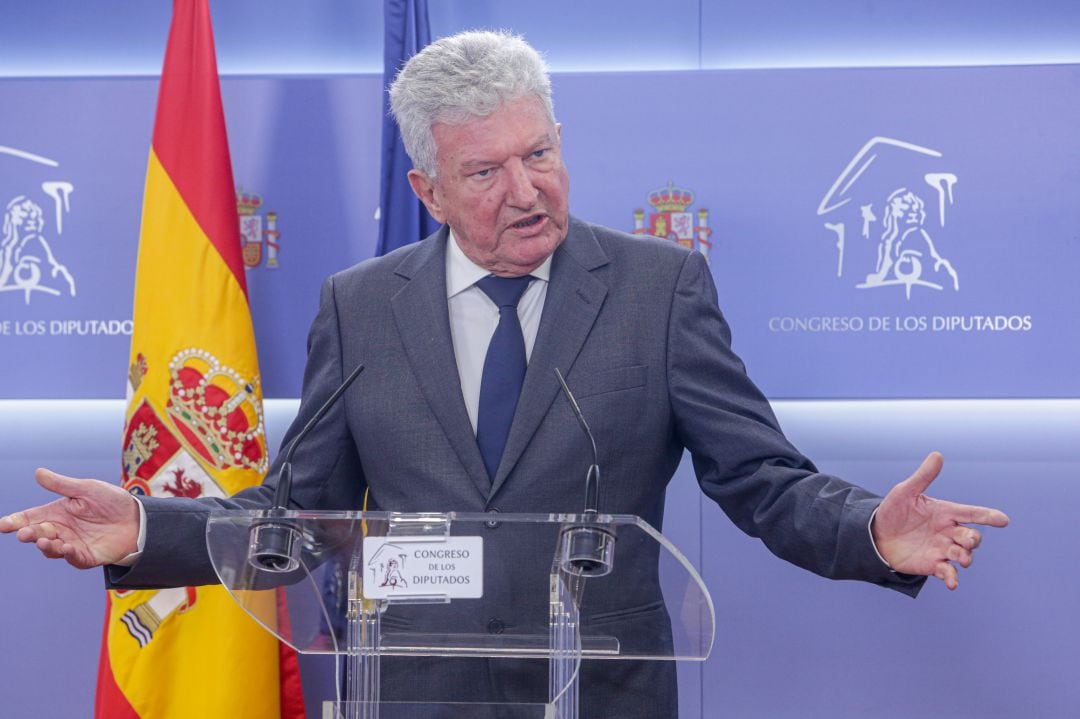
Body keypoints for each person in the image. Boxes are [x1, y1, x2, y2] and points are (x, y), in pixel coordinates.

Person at [2, 30, 1007, 716]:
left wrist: (870, 527)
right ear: (426, 188)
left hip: (596, 692)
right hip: (415, 693)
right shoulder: (359, 305)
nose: (528, 191)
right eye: (486, 172)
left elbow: (761, 480)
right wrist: (149, 527)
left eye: (541, 153)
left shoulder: (659, 288)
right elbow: (297, 518)